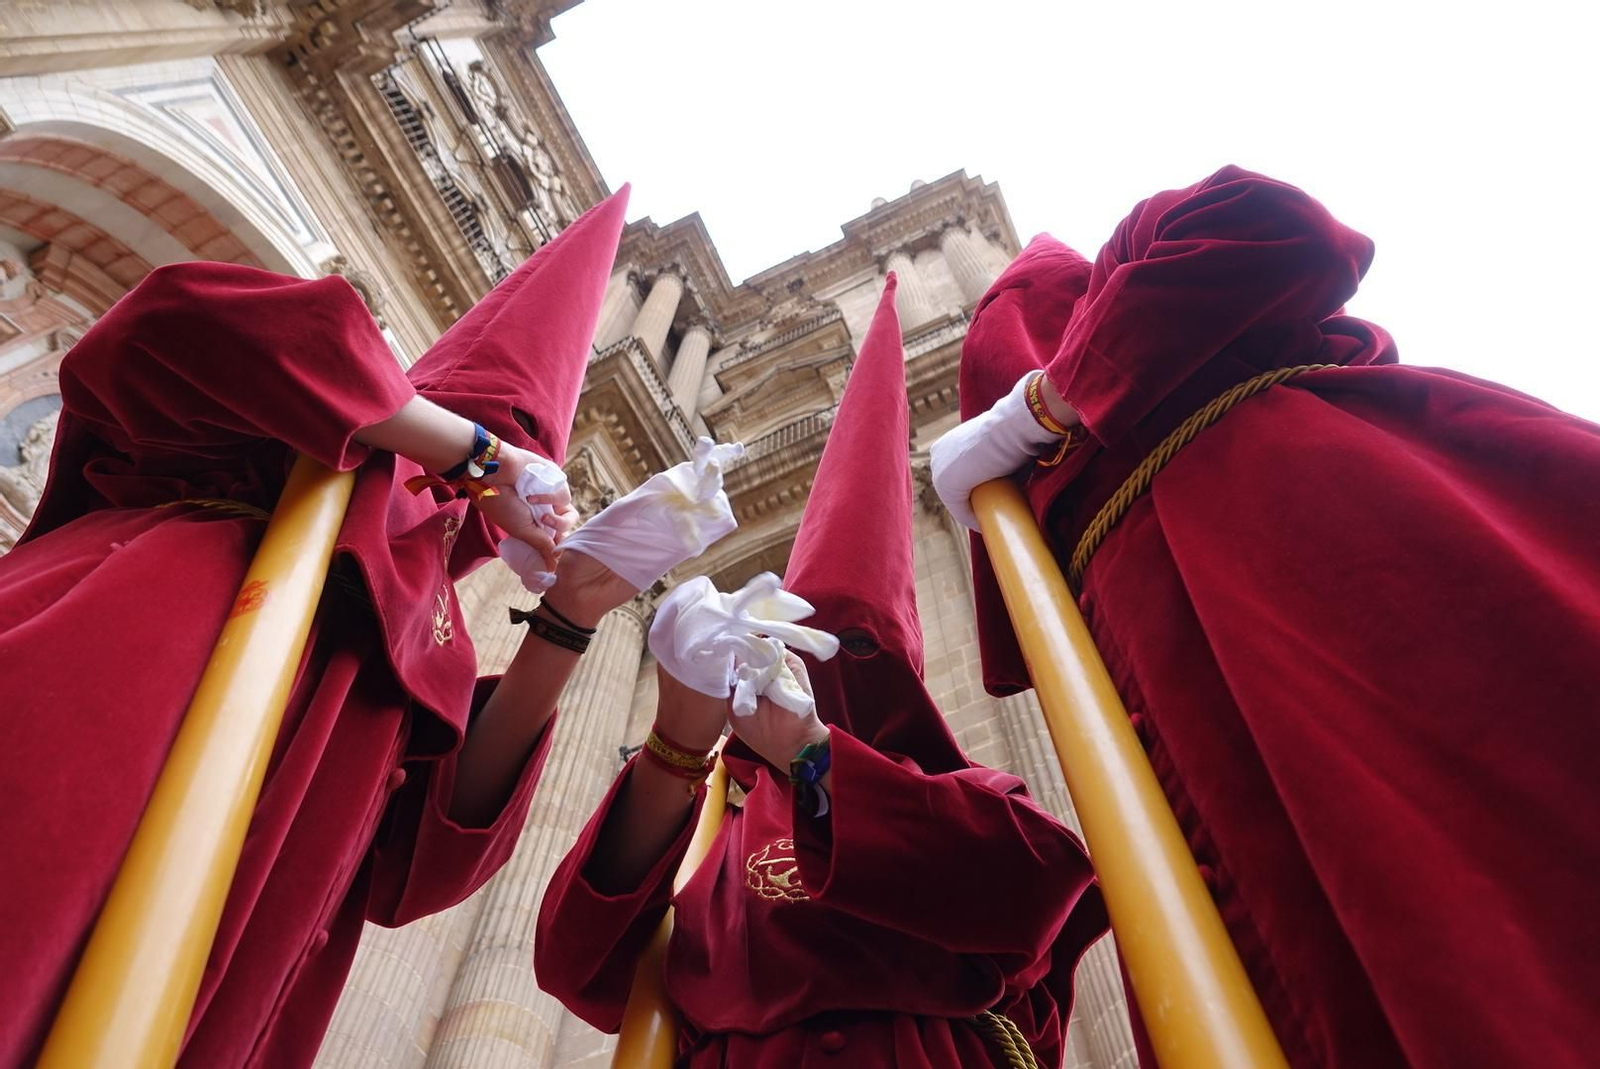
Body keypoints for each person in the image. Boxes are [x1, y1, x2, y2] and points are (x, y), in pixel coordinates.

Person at [0, 188, 694, 1068]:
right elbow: (171, 323)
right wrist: (472, 452)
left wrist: (569, 618)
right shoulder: (306, 426)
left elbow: (420, 860)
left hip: (252, 913)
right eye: (507, 432)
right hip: (100, 711)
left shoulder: (441, 619)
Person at [931, 165, 1600, 1068]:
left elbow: (1284, 227)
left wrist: (1051, 401)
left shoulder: (1134, 264)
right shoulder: (1083, 553)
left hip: (1334, 537)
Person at [536, 278, 1108, 1067]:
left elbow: (1039, 885)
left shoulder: (973, 795)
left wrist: (812, 752)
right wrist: (673, 744)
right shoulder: (710, 850)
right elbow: (577, 961)